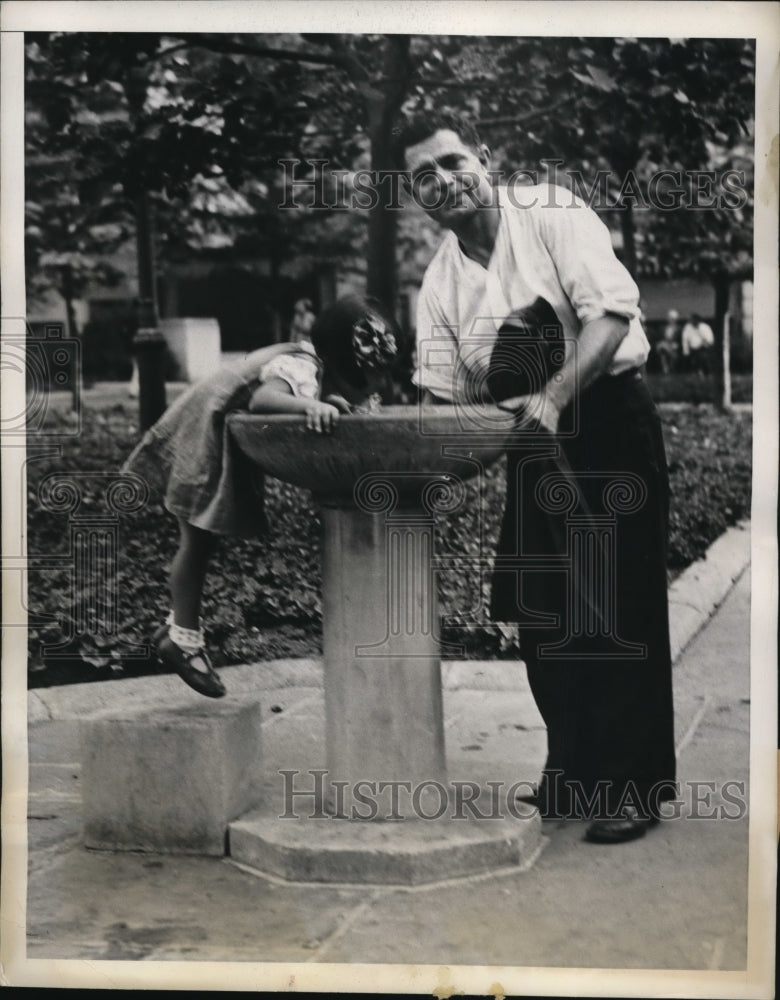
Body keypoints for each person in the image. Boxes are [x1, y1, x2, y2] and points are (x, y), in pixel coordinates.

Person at [394, 111, 676, 844]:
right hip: (529, 439)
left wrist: (553, 397)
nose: (441, 181)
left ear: (483, 158)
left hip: (606, 419)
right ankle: (575, 767)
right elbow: (441, 396)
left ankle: (631, 783)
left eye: (451, 162)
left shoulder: (552, 212)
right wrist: (414, 470)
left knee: (617, 608)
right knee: (544, 611)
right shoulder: (440, 282)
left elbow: (612, 316)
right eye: (423, 176)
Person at [122, 295, 397, 698]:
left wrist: (324, 401)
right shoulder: (302, 365)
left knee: (200, 542)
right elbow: (264, 399)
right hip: (203, 435)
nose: (363, 398)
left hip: (214, 434)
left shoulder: (310, 362)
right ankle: (183, 641)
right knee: (196, 542)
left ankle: (176, 625)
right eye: (360, 386)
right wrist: (307, 406)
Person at [655, 309, 680, 375]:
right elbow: (660, 337)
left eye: (672, 319)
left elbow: (678, 339)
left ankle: (669, 368)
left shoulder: (678, 328)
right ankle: (666, 368)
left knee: (667, 350)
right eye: (669, 318)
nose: (670, 320)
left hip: (674, 345)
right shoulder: (663, 327)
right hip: (665, 344)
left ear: (675, 319)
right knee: (662, 350)